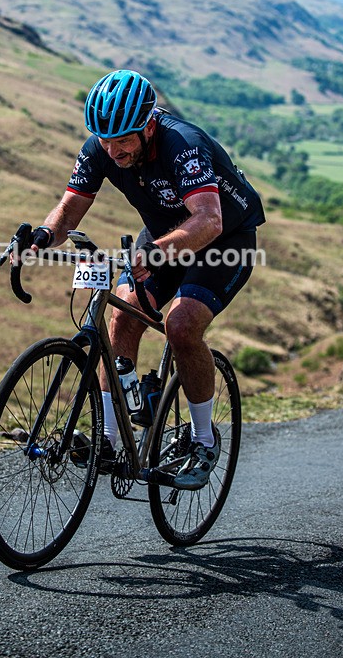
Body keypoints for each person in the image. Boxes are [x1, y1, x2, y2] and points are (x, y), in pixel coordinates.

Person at [30, 69, 265, 489]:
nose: (113, 150)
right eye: (105, 139)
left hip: (224, 237)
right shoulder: (102, 145)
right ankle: (108, 437)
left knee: (181, 325)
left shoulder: (182, 145)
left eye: (123, 140)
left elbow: (209, 221)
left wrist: (154, 253)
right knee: (121, 316)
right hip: (165, 232)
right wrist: (44, 234)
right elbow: (69, 208)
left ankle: (203, 441)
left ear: (148, 126)